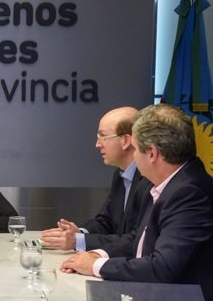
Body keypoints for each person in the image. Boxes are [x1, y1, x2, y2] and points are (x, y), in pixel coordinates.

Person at [60, 104, 213, 301]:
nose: (133, 156)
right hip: (160, 298)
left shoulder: (189, 193)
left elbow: (162, 268)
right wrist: (97, 256)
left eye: (135, 148)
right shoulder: (164, 183)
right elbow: (137, 239)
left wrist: (96, 266)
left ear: (151, 153)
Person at [41, 106, 150, 251]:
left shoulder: (150, 178)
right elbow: (106, 221)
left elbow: (137, 240)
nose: (97, 144)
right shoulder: (120, 175)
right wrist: (78, 233)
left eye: (103, 137)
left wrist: (78, 241)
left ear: (125, 141)